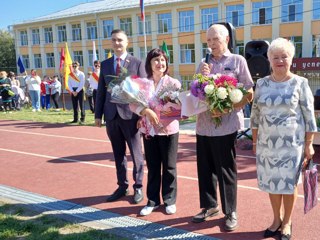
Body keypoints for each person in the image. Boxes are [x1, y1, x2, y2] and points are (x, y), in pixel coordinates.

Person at [250, 38, 317, 240]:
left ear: (291, 59)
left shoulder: (300, 83)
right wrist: (254, 142)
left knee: (288, 185)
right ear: (269, 60)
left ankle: (287, 222)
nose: (280, 60)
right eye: (275, 57)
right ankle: (276, 220)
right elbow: (255, 116)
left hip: (292, 145)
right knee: (272, 183)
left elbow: (309, 116)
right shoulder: (261, 83)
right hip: (267, 145)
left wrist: (309, 144)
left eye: (284, 56)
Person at [192, 24, 254, 231]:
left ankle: (230, 211)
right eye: (208, 40)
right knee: (205, 168)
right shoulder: (203, 62)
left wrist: (227, 109)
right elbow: (194, 92)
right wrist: (200, 77)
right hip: (203, 126)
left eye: (215, 40)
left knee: (225, 169)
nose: (211, 44)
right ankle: (210, 206)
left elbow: (248, 92)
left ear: (226, 39)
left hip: (226, 126)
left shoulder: (238, 61)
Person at [95, 29, 146, 204]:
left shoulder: (137, 63)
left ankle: (138, 187)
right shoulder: (106, 64)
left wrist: (142, 115)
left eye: (120, 40)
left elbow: (144, 91)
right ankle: (122, 186)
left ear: (127, 42)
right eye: (114, 40)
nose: (117, 43)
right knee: (118, 154)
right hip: (111, 116)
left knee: (136, 154)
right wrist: (98, 115)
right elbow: (101, 91)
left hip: (131, 116)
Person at [130, 48, 180, 216]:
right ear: (149, 64)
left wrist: (171, 108)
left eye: (163, 60)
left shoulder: (173, 83)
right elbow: (132, 104)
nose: (160, 63)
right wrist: (145, 111)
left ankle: (169, 200)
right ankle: (152, 201)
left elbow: (180, 106)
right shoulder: (143, 83)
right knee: (152, 166)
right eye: (156, 60)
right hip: (149, 130)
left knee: (169, 167)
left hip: (169, 131)